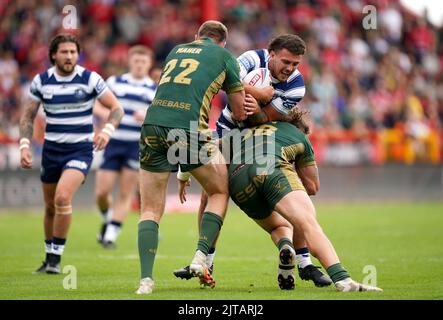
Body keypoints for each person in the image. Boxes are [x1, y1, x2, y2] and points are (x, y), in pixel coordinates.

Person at [174, 34, 332, 288]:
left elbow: (263, 117)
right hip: (228, 134)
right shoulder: (250, 58)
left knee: (294, 193)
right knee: (210, 194)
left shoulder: (296, 86)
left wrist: (254, 104)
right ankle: (206, 260)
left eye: (295, 64)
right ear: (270, 54)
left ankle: (304, 263)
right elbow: (224, 81)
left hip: (262, 138)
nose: (290, 68)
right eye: (286, 61)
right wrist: (260, 92)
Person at [181, 110, 383, 292]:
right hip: (271, 169)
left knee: (279, 225)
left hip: (238, 182)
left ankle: (286, 246)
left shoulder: (243, 133)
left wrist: (184, 173)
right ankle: (343, 279)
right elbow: (312, 187)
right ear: (300, 129)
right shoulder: (296, 135)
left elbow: (207, 150)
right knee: (306, 222)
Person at [136, 20, 247, 294]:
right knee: (219, 191)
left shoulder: (176, 50)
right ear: (223, 42)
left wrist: (183, 172)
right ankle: (201, 257)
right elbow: (240, 111)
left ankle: (146, 281)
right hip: (187, 131)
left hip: (152, 125)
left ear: (197, 37)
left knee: (149, 210)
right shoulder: (225, 57)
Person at [19, 34, 123, 274]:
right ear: (54, 55)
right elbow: (27, 116)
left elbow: (116, 108)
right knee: (49, 207)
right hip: (51, 150)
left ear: (78, 54)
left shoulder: (90, 78)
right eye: (64, 52)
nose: (69, 56)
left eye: (73, 52)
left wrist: (106, 131)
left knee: (63, 197)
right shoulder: (41, 81)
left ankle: (55, 260)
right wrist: (24, 145)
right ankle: (48, 256)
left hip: (80, 149)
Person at [95, 45, 157, 248]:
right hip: (113, 141)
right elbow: (96, 104)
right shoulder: (115, 82)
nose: (139, 65)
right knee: (102, 192)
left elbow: (160, 116)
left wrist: (148, 116)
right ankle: (107, 219)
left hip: (135, 145)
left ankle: (110, 236)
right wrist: (109, 115)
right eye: (136, 61)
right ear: (130, 62)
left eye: (143, 61)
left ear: (149, 64)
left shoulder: (155, 89)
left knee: (125, 192)